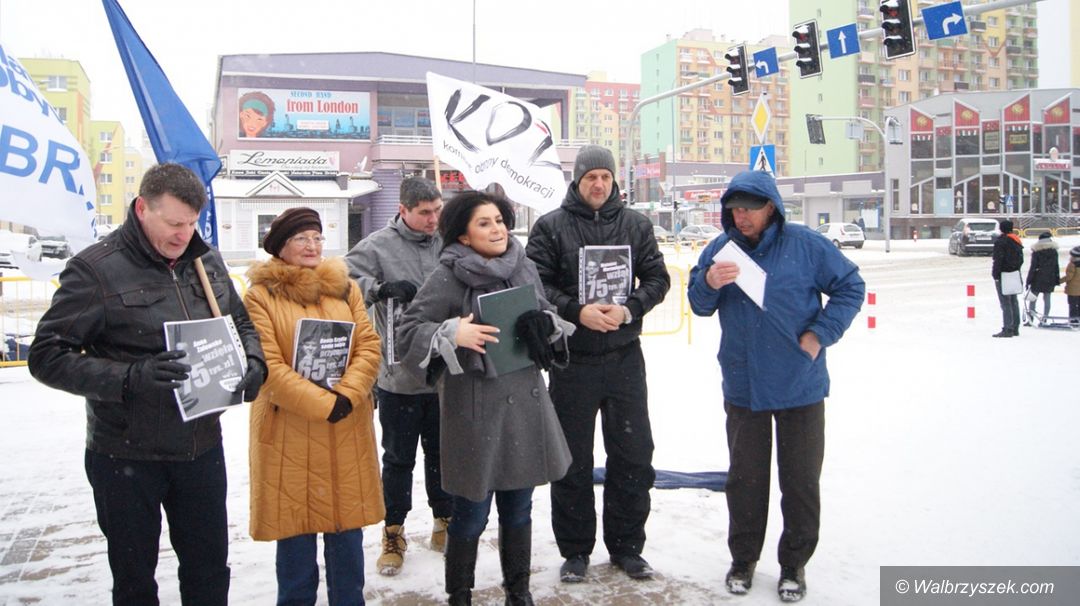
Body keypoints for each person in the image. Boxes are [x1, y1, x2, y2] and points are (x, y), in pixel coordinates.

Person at [27, 163, 266, 606]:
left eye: (191, 223)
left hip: (200, 447)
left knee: (210, 571)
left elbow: (240, 323)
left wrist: (254, 362)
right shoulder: (96, 270)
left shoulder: (205, 259)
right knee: (135, 581)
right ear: (142, 208)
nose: (183, 235)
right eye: (174, 223)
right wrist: (130, 377)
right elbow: (46, 356)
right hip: (126, 454)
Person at [686, 170, 864, 603]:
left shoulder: (805, 246)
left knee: (800, 482)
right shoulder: (720, 249)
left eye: (749, 209)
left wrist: (819, 334)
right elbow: (698, 303)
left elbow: (851, 287)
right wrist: (708, 282)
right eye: (734, 209)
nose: (741, 217)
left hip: (799, 383)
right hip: (744, 384)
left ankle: (794, 564)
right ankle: (743, 559)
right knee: (745, 480)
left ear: (771, 208)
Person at [396, 190, 573, 605]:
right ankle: (459, 594)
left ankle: (518, 591)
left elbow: (546, 313)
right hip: (475, 411)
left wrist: (545, 324)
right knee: (471, 513)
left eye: (499, 220)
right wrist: (450, 332)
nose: (497, 229)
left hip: (525, 405)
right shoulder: (448, 276)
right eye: (484, 223)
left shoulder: (522, 265)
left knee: (519, 509)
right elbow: (408, 333)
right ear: (463, 236)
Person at [525, 145, 671, 582]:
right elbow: (535, 283)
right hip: (573, 361)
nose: (599, 184)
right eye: (591, 177)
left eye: (605, 176)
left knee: (633, 454)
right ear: (577, 180)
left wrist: (629, 309)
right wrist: (575, 311)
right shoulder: (551, 226)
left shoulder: (636, 225)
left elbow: (658, 278)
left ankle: (627, 547)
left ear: (614, 180)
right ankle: (575, 550)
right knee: (572, 459)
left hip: (624, 356)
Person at [244, 207, 384, 605]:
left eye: (317, 237)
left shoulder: (345, 289)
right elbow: (269, 368)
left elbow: (368, 346)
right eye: (301, 239)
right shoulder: (259, 296)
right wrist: (325, 404)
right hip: (288, 434)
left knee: (347, 542)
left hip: (346, 427)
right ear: (280, 246)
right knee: (295, 548)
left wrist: (346, 395)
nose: (312, 246)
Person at [344, 176, 453, 576]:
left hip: (445, 373)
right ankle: (393, 530)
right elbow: (341, 280)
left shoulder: (449, 242)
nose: (433, 219)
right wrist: (378, 288)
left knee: (443, 454)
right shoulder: (376, 246)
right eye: (424, 213)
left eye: (437, 210)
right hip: (398, 376)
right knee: (397, 459)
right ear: (403, 210)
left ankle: (445, 519)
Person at [991, 219, 1024, 338]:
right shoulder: (1016, 241)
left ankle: (1008, 328)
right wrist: (1015, 269)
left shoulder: (1001, 242)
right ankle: (1015, 327)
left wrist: (995, 274)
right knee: (1014, 301)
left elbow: (998, 259)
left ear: (1001, 229)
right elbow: (1021, 260)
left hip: (1004, 274)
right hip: (1015, 273)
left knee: (1005, 302)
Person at [1024, 232, 1059, 325]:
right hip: (1050, 277)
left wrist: (1028, 281)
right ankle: (1045, 318)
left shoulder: (1037, 252)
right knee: (1047, 298)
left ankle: (1031, 318)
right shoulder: (1054, 251)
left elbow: (1033, 267)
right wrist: (1056, 279)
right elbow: (1056, 266)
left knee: (1033, 298)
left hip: (1037, 278)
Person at [1062, 245, 1080, 329]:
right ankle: (1078, 320)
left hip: (1073, 290)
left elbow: (1069, 277)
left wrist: (1058, 281)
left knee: (1073, 306)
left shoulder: (1072, 264)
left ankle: (1073, 321)